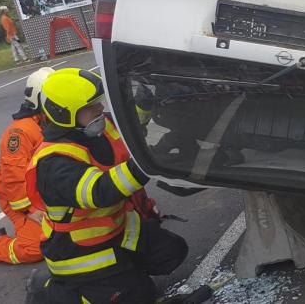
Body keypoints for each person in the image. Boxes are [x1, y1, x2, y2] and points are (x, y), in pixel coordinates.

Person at [24, 68, 187, 303]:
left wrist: (144, 103)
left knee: (172, 251)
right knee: (137, 297)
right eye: (91, 106)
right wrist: (148, 163)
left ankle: (124, 277)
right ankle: (48, 292)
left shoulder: (97, 127)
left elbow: (130, 124)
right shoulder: (53, 162)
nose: (99, 108)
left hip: (116, 232)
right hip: (80, 252)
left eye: (98, 102)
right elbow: (99, 191)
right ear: (65, 114)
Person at [0, 67, 54, 264]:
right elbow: (13, 179)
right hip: (21, 200)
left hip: (43, 193)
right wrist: (31, 211)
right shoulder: (20, 133)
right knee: (35, 249)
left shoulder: (50, 122)